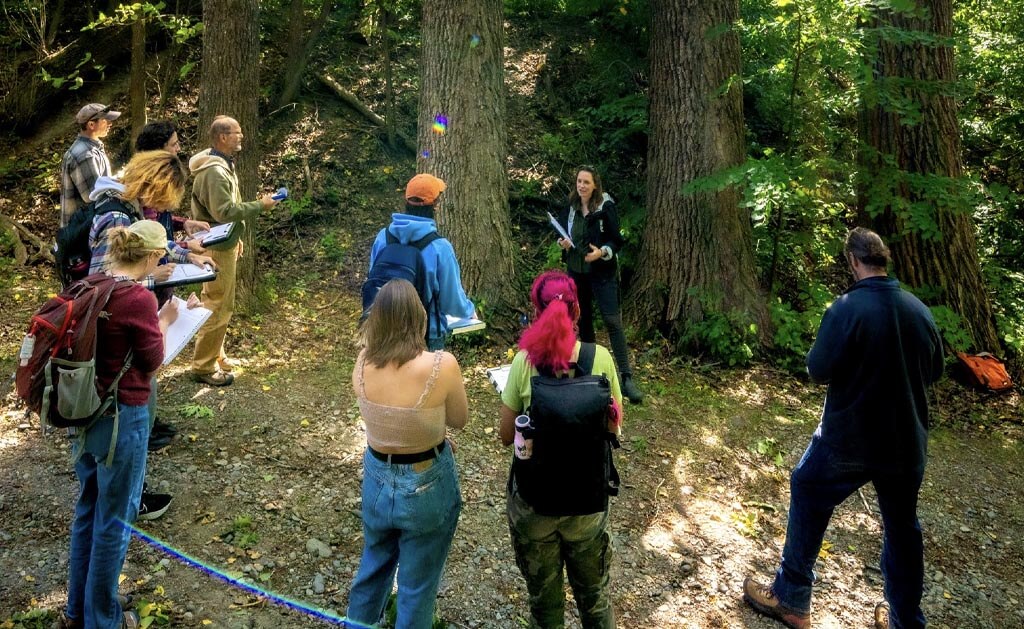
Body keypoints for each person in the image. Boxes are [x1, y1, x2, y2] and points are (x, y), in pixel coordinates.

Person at [742, 228, 944, 629]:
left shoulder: (845, 308)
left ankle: (792, 599)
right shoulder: (919, 311)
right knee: (903, 528)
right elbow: (935, 372)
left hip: (848, 439)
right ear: (883, 260)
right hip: (905, 445)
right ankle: (906, 620)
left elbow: (817, 369)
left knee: (806, 487)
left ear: (853, 261)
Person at [56, 220, 184, 629]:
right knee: (115, 520)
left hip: (85, 413)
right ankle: (104, 619)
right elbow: (151, 360)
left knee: (89, 508)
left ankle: (80, 609)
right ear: (149, 256)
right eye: (160, 255)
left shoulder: (92, 283)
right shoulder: (137, 298)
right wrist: (166, 319)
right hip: (122, 418)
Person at [499, 270, 622, 629]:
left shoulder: (524, 362)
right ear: (578, 311)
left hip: (536, 506)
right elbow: (615, 426)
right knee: (595, 599)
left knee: (545, 608)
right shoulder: (600, 359)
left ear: (537, 312)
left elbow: (507, 434)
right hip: (587, 504)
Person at [345, 279, 467, 629]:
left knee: (373, 566)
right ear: (419, 318)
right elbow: (459, 420)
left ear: (376, 319)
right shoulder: (441, 365)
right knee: (417, 584)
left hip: (377, 477)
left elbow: (387, 421)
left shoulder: (363, 362)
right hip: (425, 478)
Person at [189, 115, 279, 386]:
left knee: (219, 302)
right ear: (222, 138)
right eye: (236, 133)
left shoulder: (222, 164)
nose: (241, 136)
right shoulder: (215, 171)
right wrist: (261, 205)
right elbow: (224, 211)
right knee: (217, 306)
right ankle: (203, 366)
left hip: (223, 243)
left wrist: (236, 237)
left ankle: (215, 355)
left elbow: (225, 211)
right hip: (215, 248)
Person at [556, 166, 643, 404]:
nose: (581, 185)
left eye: (586, 182)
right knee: (583, 321)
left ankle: (626, 378)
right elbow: (563, 231)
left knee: (613, 321)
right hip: (576, 272)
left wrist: (602, 252)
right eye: (579, 181)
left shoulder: (606, 206)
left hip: (602, 273)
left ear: (595, 185)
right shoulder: (572, 205)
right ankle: (589, 372)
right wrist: (562, 242)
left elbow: (617, 240)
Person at [368, 173, 475, 350]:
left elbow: (372, 281)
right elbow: (452, 301)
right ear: (435, 206)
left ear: (406, 202)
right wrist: (469, 310)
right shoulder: (440, 247)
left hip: (384, 330)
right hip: (426, 335)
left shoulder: (383, 238)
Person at [60, 103, 120, 227]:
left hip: (87, 227)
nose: (110, 124)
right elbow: (95, 196)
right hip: (81, 231)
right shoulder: (84, 154)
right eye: (105, 120)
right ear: (91, 125)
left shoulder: (93, 148)